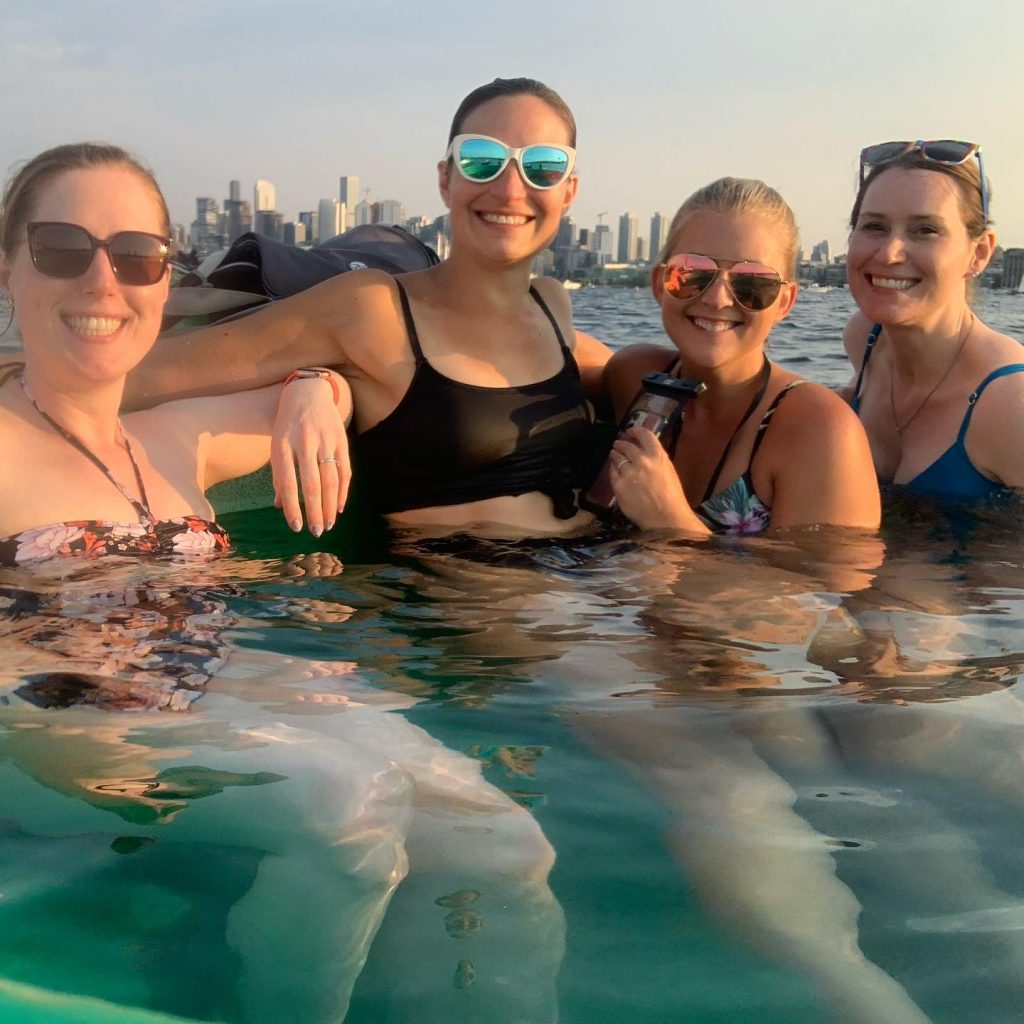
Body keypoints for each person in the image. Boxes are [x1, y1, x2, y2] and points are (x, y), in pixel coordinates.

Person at [123, 78, 613, 539]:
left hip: (594, 578)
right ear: (446, 180)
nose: (510, 189)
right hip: (472, 606)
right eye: (481, 160)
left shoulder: (551, 304)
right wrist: (313, 379)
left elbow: (618, 368)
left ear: (568, 190)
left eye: (543, 166)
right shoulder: (373, 308)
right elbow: (150, 373)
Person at [0, 142, 351, 563]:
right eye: (61, 249)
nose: (102, 281)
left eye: (136, 256)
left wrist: (310, 385)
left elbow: (340, 401)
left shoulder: (179, 438)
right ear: (7, 274)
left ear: (164, 283)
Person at [600, 177, 880, 535]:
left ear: (784, 301)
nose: (717, 299)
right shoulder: (631, 376)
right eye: (693, 273)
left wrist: (671, 524)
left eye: (752, 283)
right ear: (660, 283)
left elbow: (831, 586)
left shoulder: (820, 431)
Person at [843, 140, 1024, 500]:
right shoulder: (866, 338)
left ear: (980, 253)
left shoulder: (1009, 404)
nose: (890, 253)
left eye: (925, 230)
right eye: (875, 226)